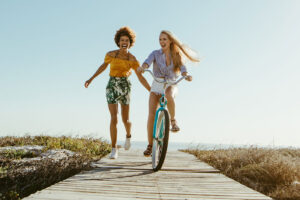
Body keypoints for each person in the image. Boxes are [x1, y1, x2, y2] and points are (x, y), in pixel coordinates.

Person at [85, 26, 150, 159]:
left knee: (125, 120)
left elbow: (140, 77)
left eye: (126, 40)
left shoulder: (132, 59)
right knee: (114, 117)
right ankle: (114, 148)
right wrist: (91, 79)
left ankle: (128, 136)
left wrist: (151, 90)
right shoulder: (111, 54)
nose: (124, 42)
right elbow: (103, 66)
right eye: (122, 40)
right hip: (111, 85)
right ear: (118, 42)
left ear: (130, 43)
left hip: (125, 86)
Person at [138, 30, 199, 157]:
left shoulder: (176, 54)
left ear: (170, 41)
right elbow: (147, 61)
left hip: (171, 85)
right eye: (160, 39)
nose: (162, 42)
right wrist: (143, 67)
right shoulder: (155, 53)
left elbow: (183, 68)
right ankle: (150, 145)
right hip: (156, 86)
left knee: (168, 95)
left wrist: (186, 75)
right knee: (151, 115)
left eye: (164, 39)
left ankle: (173, 121)